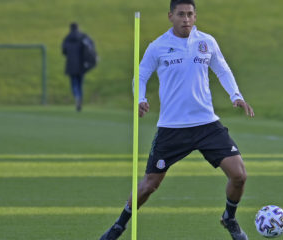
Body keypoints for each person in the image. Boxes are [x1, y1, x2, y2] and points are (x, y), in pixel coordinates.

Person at [100, 0, 254, 239]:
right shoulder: (158, 46)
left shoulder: (206, 42)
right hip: (172, 128)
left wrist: (236, 96)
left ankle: (229, 219)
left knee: (239, 175)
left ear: (195, 16)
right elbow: (140, 75)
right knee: (149, 185)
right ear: (170, 16)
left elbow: (222, 69)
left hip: (206, 124)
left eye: (190, 14)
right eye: (181, 14)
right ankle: (119, 225)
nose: (186, 19)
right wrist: (139, 98)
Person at [62, 22, 95, 112]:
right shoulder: (83, 37)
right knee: (80, 84)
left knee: (74, 84)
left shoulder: (67, 38)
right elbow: (90, 48)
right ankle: (80, 98)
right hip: (81, 65)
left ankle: (77, 96)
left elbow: (64, 51)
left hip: (71, 65)